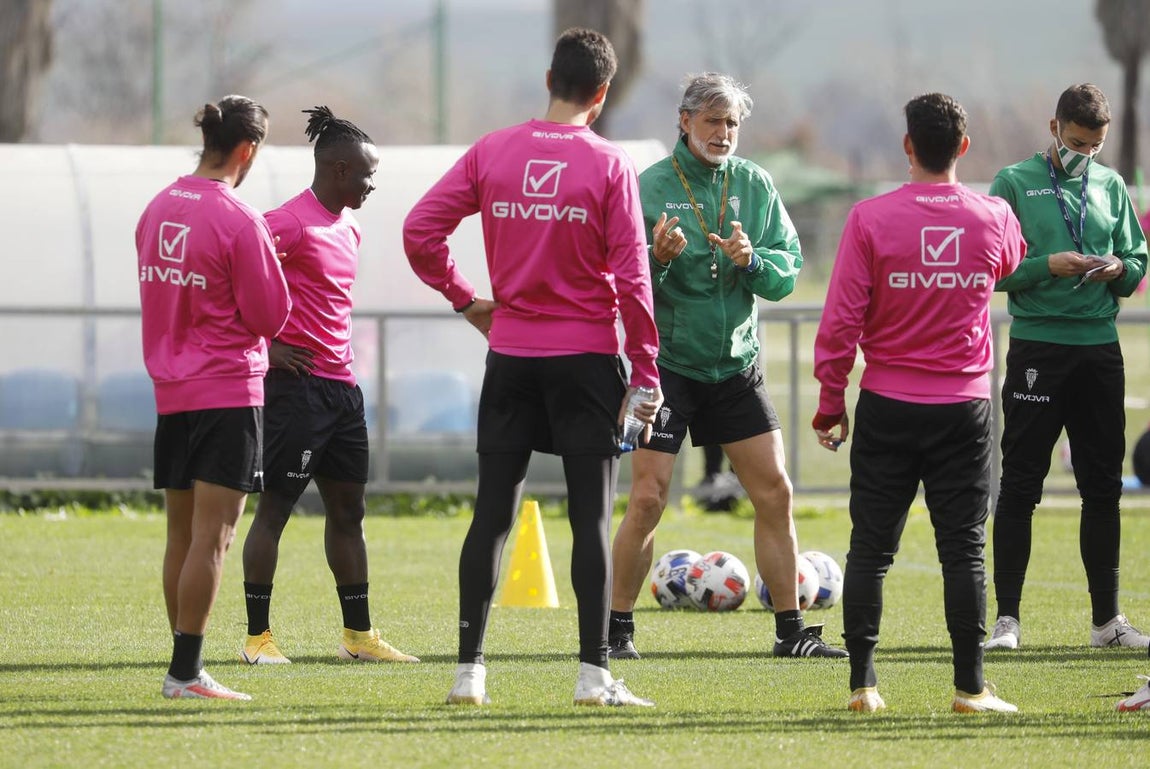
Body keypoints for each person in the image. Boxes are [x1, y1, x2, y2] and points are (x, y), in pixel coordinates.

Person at [403, 27, 662, 707]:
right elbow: (634, 280)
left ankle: (468, 673)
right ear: (601, 95)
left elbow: (418, 231)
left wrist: (467, 299)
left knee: (492, 514)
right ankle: (593, 675)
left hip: (511, 357)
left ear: (549, 77)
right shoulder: (608, 166)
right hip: (585, 361)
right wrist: (647, 371)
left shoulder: (494, 149)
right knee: (591, 520)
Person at [607, 72, 846, 661]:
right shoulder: (649, 186)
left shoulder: (757, 184)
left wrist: (753, 260)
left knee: (775, 491)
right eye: (712, 121)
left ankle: (791, 635)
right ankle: (614, 635)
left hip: (736, 367)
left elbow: (787, 272)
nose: (723, 132)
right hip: (668, 369)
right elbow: (618, 281)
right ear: (685, 122)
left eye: (732, 123)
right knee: (647, 500)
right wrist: (655, 261)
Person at [812, 93, 1026, 713]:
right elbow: (1009, 264)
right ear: (963, 147)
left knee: (870, 548)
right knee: (962, 548)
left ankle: (864, 685)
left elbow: (840, 322)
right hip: (964, 408)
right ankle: (970, 687)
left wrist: (831, 403)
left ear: (907, 145)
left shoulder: (869, 218)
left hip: (885, 401)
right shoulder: (993, 216)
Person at [238, 107, 418, 666]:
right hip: (297, 389)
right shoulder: (287, 221)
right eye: (366, 174)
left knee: (350, 514)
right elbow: (227, 271)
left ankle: (358, 637)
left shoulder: (351, 224)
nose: (371, 184)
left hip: (343, 392)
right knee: (275, 513)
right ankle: (257, 639)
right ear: (338, 169)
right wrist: (266, 348)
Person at [985, 83, 1150, 652]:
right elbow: (993, 272)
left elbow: (1137, 261)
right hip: (1038, 347)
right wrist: (1045, 266)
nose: (1088, 154)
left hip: (1099, 348)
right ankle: (1007, 621)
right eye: (1078, 142)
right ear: (1054, 128)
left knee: (1102, 488)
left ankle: (1107, 623)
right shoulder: (1013, 182)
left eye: (1097, 145)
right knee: (1022, 484)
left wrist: (1117, 270)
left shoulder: (1111, 185)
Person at [136, 95, 291, 699]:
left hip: (171, 392)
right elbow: (270, 315)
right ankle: (185, 673)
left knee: (181, 536)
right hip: (227, 389)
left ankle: (183, 665)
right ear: (247, 150)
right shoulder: (238, 219)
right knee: (214, 538)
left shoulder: (157, 207)